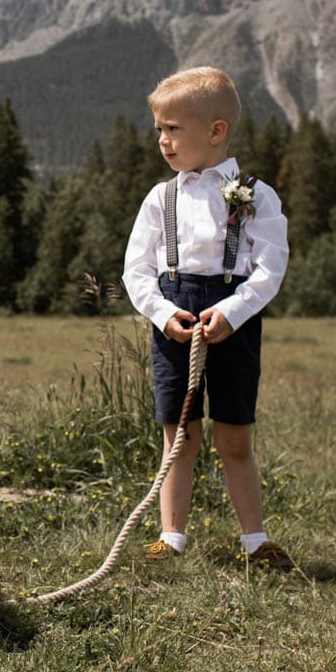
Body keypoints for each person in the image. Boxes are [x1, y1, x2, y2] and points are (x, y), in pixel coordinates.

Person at [121, 66, 293, 569]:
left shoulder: (255, 194)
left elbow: (269, 268)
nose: (163, 141)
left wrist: (234, 311)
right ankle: (170, 537)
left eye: (174, 129)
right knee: (179, 432)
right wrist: (163, 311)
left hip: (232, 319)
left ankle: (255, 540)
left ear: (216, 132)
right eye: (160, 130)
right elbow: (137, 271)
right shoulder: (161, 198)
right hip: (175, 318)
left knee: (234, 433)